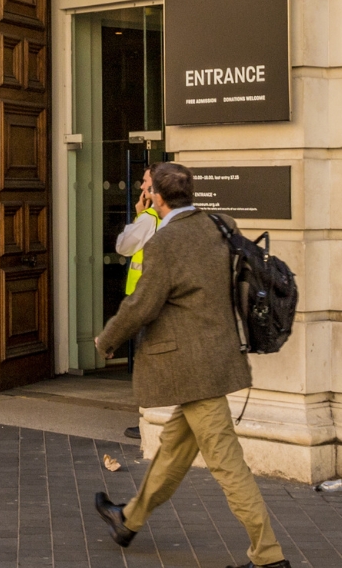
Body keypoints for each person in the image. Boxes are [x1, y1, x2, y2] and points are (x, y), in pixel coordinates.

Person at [90, 162, 289, 568]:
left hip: (190, 369)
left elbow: (141, 305)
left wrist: (107, 340)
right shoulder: (219, 224)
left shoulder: (165, 244)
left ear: (158, 199)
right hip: (217, 357)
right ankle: (128, 520)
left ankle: (269, 558)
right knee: (173, 451)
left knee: (227, 464)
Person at [113, 168, 165, 440]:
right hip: (157, 301)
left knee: (147, 364)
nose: (142, 186)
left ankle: (149, 420)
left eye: (145, 182)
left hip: (144, 301)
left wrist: (138, 214)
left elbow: (124, 245)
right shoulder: (166, 218)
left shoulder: (149, 218)